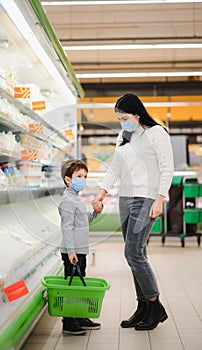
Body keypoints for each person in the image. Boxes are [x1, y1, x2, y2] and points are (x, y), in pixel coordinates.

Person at [94, 93, 174, 331]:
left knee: (133, 253)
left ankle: (155, 305)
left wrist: (160, 199)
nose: (122, 122)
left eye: (125, 117)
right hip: (126, 198)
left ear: (137, 114)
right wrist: (102, 191)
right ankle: (143, 307)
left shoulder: (157, 133)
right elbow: (115, 166)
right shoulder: (124, 135)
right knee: (137, 253)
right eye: (119, 118)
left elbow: (167, 168)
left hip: (147, 197)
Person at [59, 159, 103, 335]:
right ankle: (69, 321)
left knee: (79, 284)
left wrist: (96, 211)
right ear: (68, 179)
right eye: (79, 176)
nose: (83, 180)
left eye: (85, 176)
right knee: (72, 286)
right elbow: (67, 228)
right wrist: (71, 252)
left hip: (80, 249)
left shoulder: (76, 198)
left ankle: (79, 316)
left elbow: (84, 221)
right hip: (73, 252)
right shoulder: (68, 201)